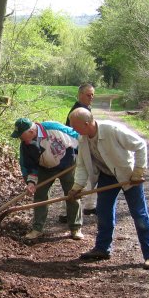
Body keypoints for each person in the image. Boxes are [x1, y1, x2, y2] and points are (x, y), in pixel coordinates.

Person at [67, 107, 149, 270]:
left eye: (74, 125)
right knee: (103, 212)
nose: (72, 128)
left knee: (139, 214)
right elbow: (81, 165)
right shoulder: (83, 138)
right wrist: (77, 187)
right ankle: (102, 249)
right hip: (106, 176)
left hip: (128, 176)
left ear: (87, 123)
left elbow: (140, 145)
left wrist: (138, 171)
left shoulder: (112, 130)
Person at [11, 117, 83, 240]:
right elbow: (28, 166)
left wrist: (84, 153)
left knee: (73, 194)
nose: (20, 139)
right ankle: (37, 229)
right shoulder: (25, 146)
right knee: (40, 195)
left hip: (67, 164)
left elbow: (78, 136)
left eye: (21, 136)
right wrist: (30, 182)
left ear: (31, 132)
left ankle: (75, 228)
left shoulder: (53, 128)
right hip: (45, 168)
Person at [60, 83, 96, 222]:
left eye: (93, 94)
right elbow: (73, 134)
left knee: (93, 176)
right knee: (75, 182)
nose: (91, 97)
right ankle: (66, 213)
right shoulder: (77, 112)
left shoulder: (85, 108)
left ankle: (90, 205)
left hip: (81, 149)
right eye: (88, 95)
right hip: (76, 150)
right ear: (80, 95)